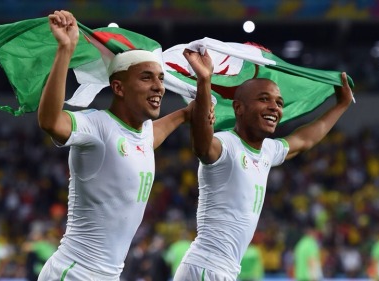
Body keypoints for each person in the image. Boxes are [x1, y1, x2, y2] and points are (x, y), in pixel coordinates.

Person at [36, 10, 206, 280]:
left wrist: (186, 114)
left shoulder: (143, 135)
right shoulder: (97, 127)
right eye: (146, 78)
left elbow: (151, 137)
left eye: (161, 78)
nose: (159, 87)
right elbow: (50, 120)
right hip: (74, 273)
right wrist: (65, 49)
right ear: (118, 88)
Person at [172, 48, 353, 281]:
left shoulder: (267, 151)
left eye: (279, 102)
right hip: (206, 267)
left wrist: (341, 105)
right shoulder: (226, 145)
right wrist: (204, 80)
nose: (275, 108)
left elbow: (305, 140)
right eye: (264, 99)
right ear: (239, 108)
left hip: (221, 270)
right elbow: (202, 144)